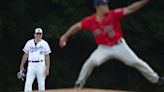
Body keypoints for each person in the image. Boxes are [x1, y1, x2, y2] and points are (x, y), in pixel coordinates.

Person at [59, 0, 164, 89]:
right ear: (98, 7)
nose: (107, 6)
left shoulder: (113, 14)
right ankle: (78, 85)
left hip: (119, 46)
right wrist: (65, 36)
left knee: (135, 62)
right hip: (103, 48)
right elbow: (77, 26)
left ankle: (156, 79)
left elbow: (131, 9)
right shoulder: (90, 20)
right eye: (105, 5)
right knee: (91, 61)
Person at [19, 28, 51, 92]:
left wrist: (47, 68)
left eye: (40, 34)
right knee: (28, 84)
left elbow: (47, 56)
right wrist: (21, 65)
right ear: (34, 34)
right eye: (37, 34)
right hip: (31, 65)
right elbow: (25, 55)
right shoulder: (29, 43)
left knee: (41, 85)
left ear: (42, 35)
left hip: (41, 65)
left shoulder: (45, 43)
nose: (38, 35)